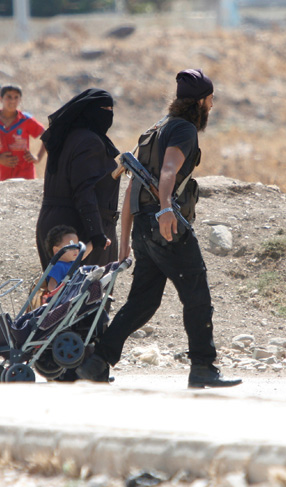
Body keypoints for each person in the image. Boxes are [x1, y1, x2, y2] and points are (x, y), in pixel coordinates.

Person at [76, 69, 242, 389]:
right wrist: (166, 208)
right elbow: (168, 170)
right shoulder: (183, 130)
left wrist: (125, 244)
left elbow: (130, 190)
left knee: (143, 302)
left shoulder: (154, 130)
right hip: (165, 225)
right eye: (210, 99)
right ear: (200, 103)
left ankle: (98, 361)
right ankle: (203, 367)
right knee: (197, 296)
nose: (212, 105)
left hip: (143, 227)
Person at [35, 88, 121, 269]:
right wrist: (96, 233)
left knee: (57, 293)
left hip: (53, 223)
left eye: (111, 109)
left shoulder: (66, 137)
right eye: (104, 109)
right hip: (77, 229)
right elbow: (84, 191)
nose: (109, 115)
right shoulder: (89, 142)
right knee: (86, 294)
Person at [0, 84, 46, 181]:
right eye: (8, 97)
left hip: (26, 174)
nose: (12, 101)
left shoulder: (25, 119)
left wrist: (38, 157)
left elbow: (47, 136)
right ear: (1, 99)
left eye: (16, 97)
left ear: (20, 100)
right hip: (5, 175)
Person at [44, 224, 92, 291]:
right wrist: (59, 296)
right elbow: (51, 286)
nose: (76, 250)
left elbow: (82, 254)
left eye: (77, 246)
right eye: (71, 247)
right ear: (57, 251)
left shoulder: (71, 262)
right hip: (63, 299)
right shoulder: (58, 266)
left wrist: (94, 243)